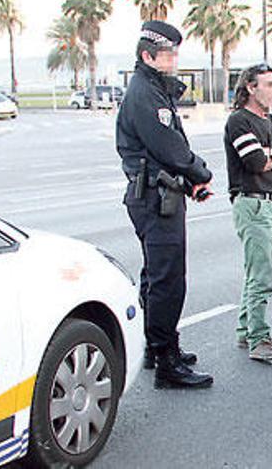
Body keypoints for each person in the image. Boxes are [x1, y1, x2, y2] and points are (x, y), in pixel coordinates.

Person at [116, 20, 215, 389]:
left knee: (155, 276)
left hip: (160, 193)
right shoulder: (145, 93)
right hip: (156, 198)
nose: (174, 59)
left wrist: (190, 182)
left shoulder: (152, 88)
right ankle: (166, 363)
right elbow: (169, 148)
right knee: (168, 280)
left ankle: (158, 349)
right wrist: (199, 172)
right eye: (168, 53)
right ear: (147, 55)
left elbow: (166, 150)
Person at [223, 63, 272, 362]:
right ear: (250, 87)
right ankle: (259, 339)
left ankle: (245, 329)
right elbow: (255, 162)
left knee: (257, 271)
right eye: (266, 85)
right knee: (261, 275)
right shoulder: (239, 121)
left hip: (270, 202)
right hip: (251, 203)